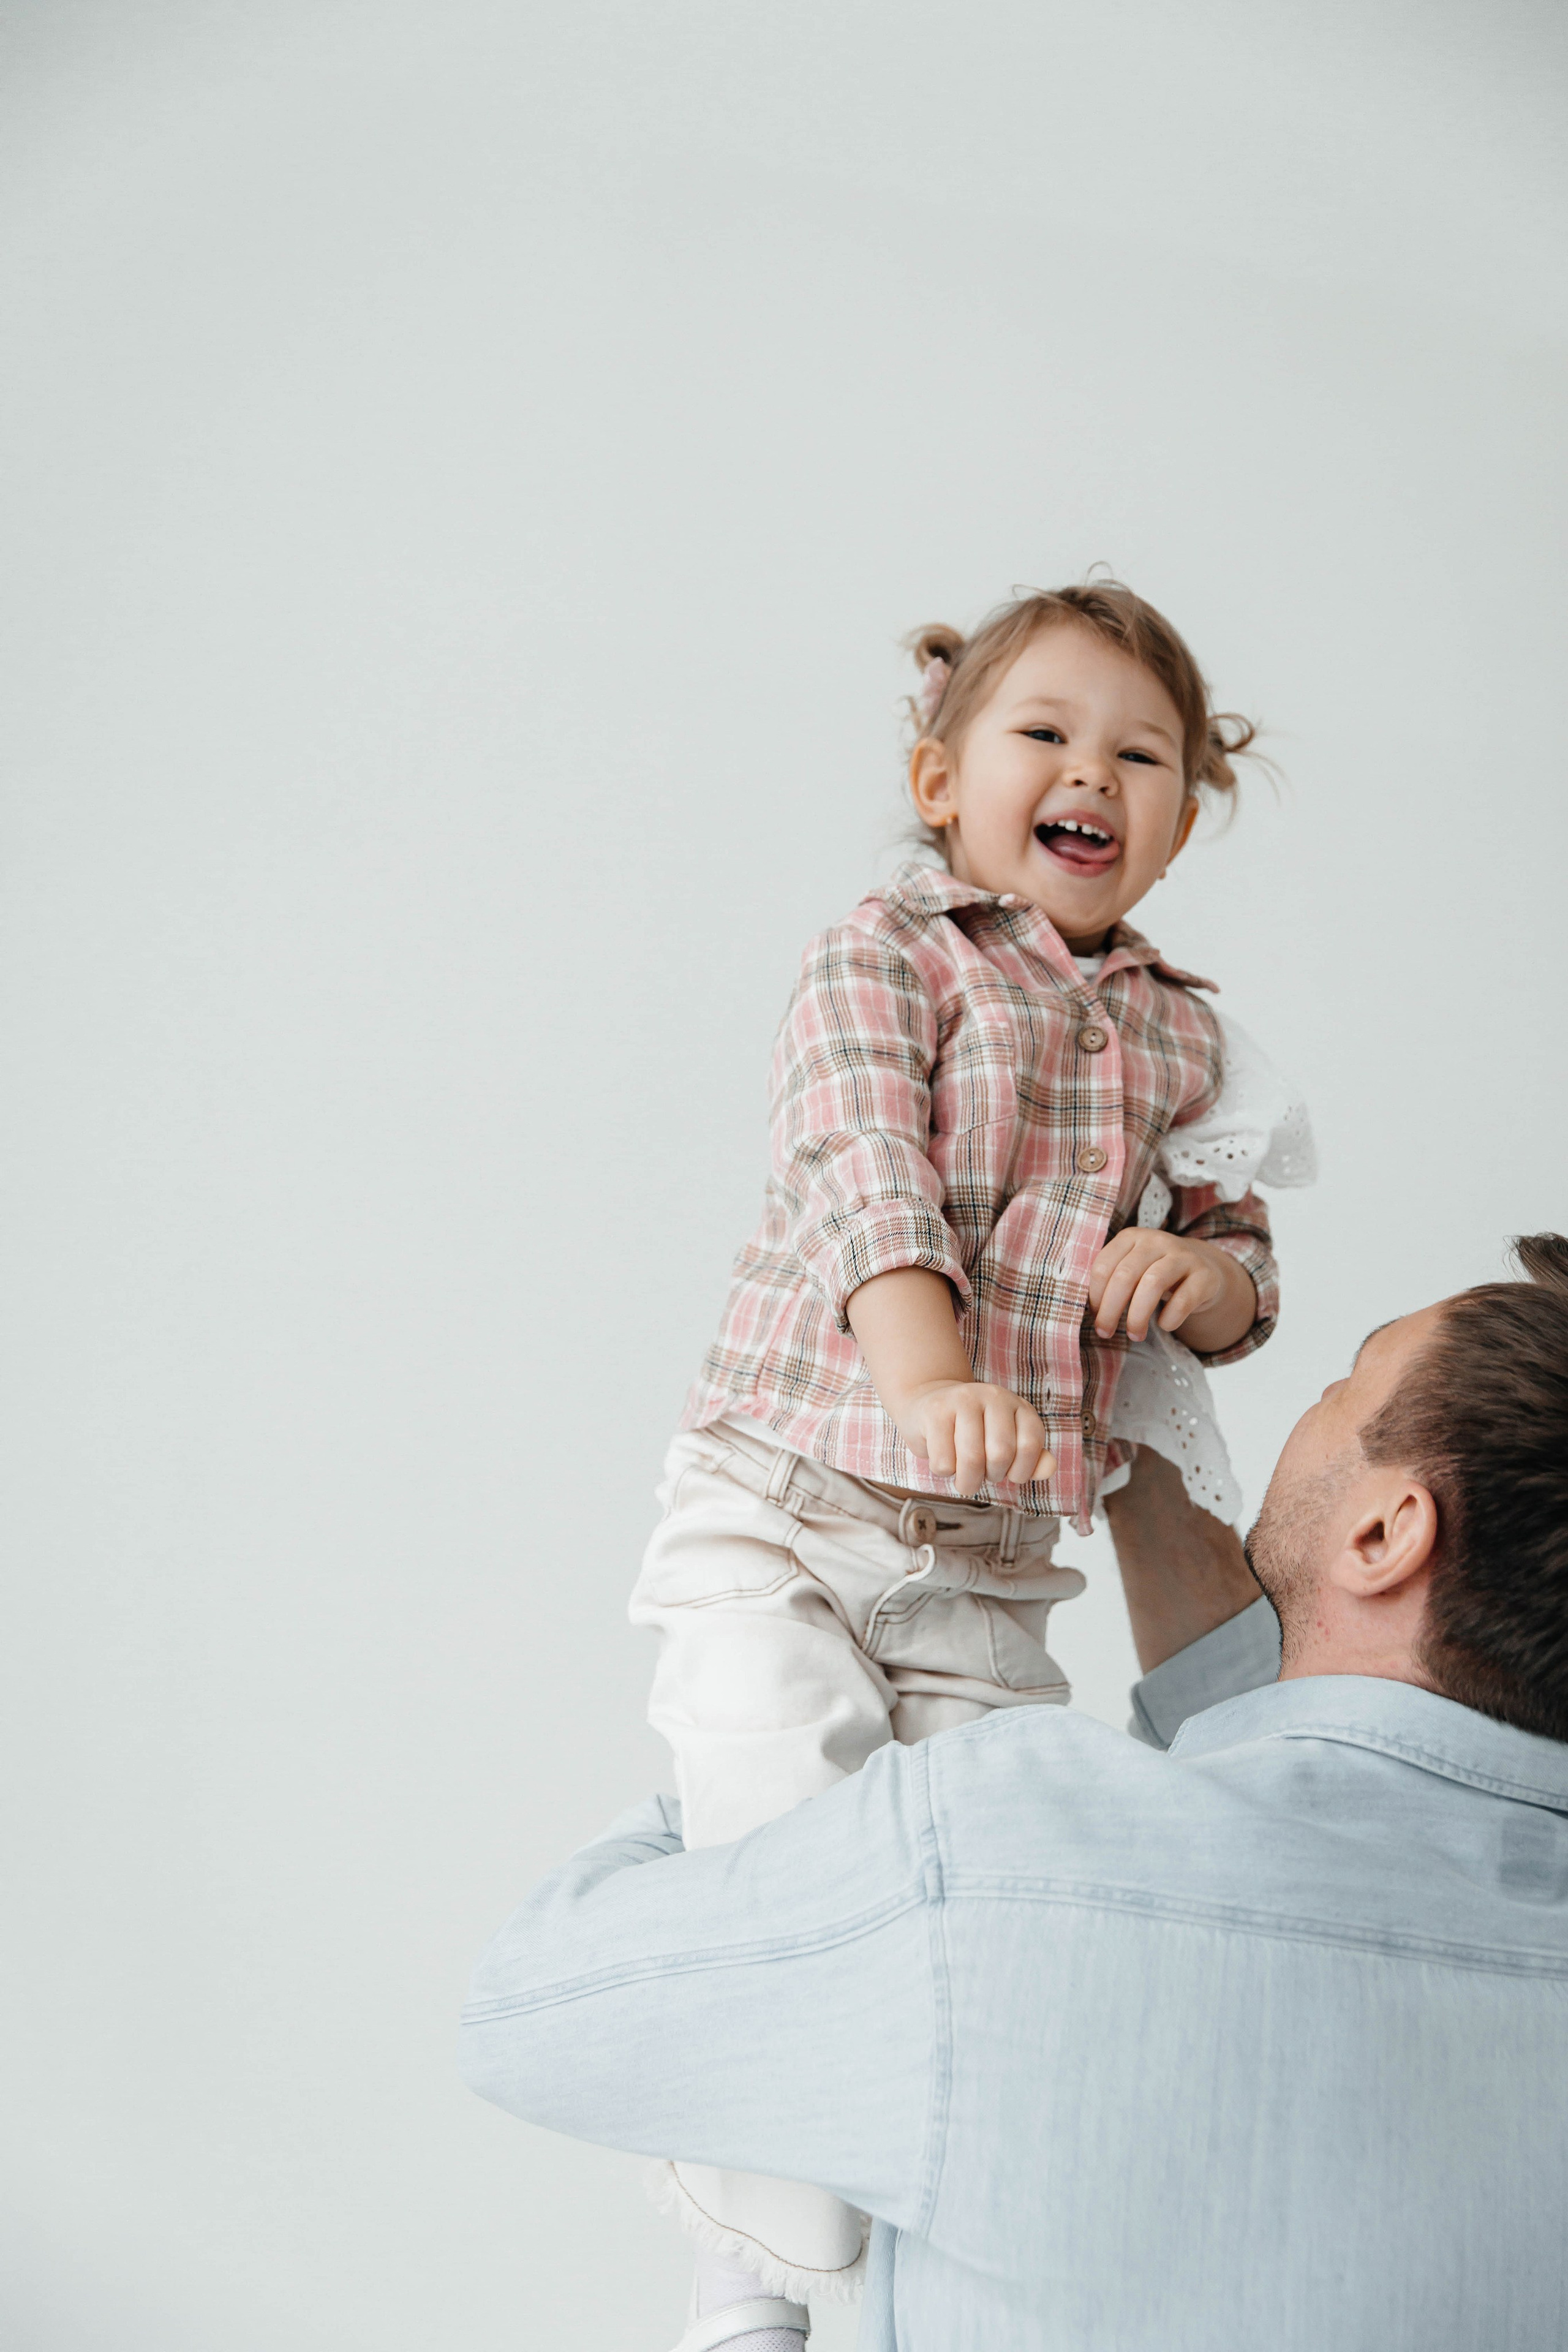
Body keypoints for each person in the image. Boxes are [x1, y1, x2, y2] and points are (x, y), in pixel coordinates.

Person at [466, 1237, 1568, 2351]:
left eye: (1345, 1384)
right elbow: (1331, 1742)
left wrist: (799, 1778)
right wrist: (1137, 1428)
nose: (1316, 1405)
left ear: (1385, 1532)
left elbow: (528, 2010)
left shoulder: (993, 1858)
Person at [622, 582, 1314, 2339]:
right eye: (1047, 735)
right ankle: (746, 2261)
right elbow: (860, 1158)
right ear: (944, 782)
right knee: (783, 1827)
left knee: (967, 1911)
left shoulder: (1186, 1033)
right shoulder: (890, 950)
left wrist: (1209, 1283)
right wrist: (926, 1370)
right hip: (793, 1501)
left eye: (1141, 754)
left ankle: (917, 2279)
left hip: (995, 1572)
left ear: (1179, 814)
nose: (1094, 771)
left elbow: (1239, 1253)